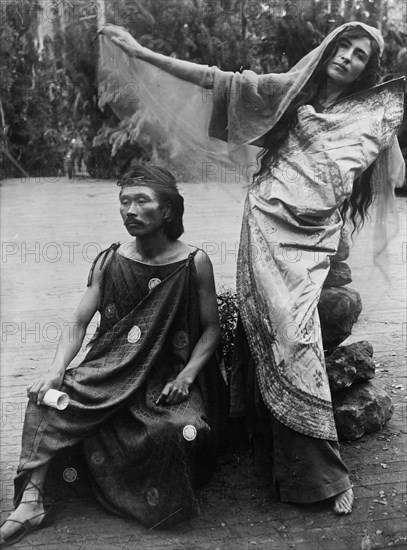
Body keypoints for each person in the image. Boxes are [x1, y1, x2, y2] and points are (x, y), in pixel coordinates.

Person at [99, 21, 405, 516]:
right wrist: (139, 51)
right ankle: (304, 470)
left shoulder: (367, 115)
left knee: (297, 339)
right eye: (344, 46)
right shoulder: (287, 91)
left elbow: (390, 172)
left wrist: (375, 136)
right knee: (277, 332)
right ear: (329, 49)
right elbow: (212, 78)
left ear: (369, 68)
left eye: (361, 54)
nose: (348, 57)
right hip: (267, 225)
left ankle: (315, 473)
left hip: (317, 237)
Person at [0, 165, 227, 546]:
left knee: (176, 432)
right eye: (124, 202)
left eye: (142, 201)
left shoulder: (194, 262)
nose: (130, 211)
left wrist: (186, 378)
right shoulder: (110, 260)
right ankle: (32, 501)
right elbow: (77, 323)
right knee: (45, 400)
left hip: (164, 378)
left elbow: (211, 328)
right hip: (108, 371)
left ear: (167, 210)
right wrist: (57, 370)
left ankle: (153, 502)